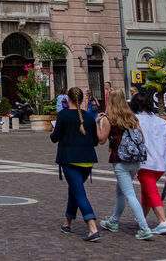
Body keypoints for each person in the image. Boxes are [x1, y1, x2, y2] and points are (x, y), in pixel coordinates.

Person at [96, 91, 154, 240]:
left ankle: (144, 227)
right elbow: (142, 139)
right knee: (121, 191)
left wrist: (96, 123)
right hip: (135, 160)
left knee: (129, 194)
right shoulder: (132, 118)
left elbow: (101, 140)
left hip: (120, 160)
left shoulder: (110, 119)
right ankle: (113, 221)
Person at [50, 86, 101, 242]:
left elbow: (55, 137)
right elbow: (95, 141)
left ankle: (92, 227)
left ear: (68, 99)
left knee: (79, 193)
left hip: (70, 159)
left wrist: (53, 132)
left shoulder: (64, 115)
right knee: (75, 189)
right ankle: (67, 222)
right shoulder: (89, 117)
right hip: (88, 160)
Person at [133, 92, 166, 235]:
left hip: (144, 162)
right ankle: (142, 219)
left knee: (151, 191)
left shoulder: (135, 120)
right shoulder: (161, 121)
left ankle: (162, 221)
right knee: (147, 191)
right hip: (160, 162)